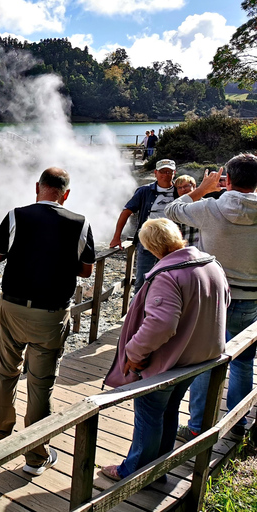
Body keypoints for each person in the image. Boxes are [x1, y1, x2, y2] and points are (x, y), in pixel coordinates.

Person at [0, 167, 95, 476]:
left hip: (14, 307)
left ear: (38, 187)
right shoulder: (80, 223)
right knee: (41, 383)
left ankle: (0, 433)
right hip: (52, 313)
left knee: (6, 371)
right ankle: (35, 456)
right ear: (66, 194)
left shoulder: (16, 216)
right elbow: (86, 271)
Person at [101, 219, 228, 481]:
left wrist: (134, 354)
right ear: (177, 236)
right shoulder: (210, 263)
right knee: (168, 410)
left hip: (169, 362)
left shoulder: (167, 275)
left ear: (150, 247)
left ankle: (135, 472)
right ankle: (158, 469)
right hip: (200, 358)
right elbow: (224, 299)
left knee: (149, 414)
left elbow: (161, 324)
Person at [165, 154, 257, 441]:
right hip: (252, 299)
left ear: (225, 180)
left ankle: (197, 426)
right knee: (243, 361)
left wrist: (202, 189)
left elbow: (171, 210)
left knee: (205, 360)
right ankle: (238, 421)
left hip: (214, 297)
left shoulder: (209, 207)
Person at [110, 159, 178, 292]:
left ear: (174, 173)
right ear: (155, 173)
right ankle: (138, 311)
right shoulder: (144, 191)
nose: (166, 174)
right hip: (148, 242)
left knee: (169, 282)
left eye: (169, 171)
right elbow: (126, 212)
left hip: (172, 245)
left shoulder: (180, 191)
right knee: (142, 280)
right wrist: (116, 237)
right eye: (162, 171)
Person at [173, 175, 199, 248]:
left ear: (194, 186)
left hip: (202, 250)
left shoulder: (204, 204)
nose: (183, 190)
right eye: (179, 188)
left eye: (186, 186)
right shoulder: (176, 208)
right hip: (184, 251)